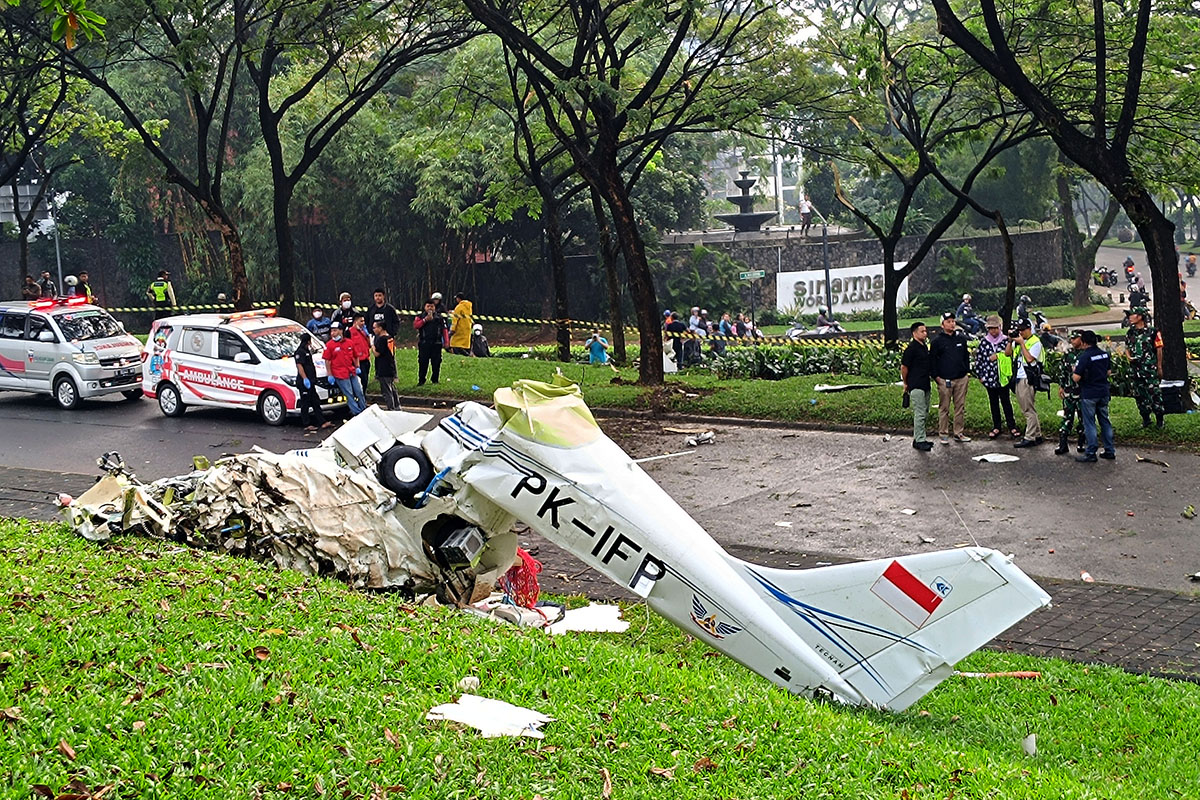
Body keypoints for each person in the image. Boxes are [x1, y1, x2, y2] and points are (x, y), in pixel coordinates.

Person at [1073, 330, 1115, 462]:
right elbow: (1108, 372)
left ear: (1084, 342)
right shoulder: (1104, 354)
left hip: (1089, 393)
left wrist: (1074, 371)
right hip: (1103, 391)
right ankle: (1109, 450)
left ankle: (1091, 452)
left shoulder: (1084, 357)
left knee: (1090, 423)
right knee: (1105, 421)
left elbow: (1076, 378)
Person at [974, 315, 1018, 439]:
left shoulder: (1006, 340)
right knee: (993, 403)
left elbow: (1010, 356)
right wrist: (981, 376)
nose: (993, 331)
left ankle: (1012, 426)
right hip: (989, 378)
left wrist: (998, 355)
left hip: (1002, 378)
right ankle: (997, 426)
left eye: (995, 328)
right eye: (990, 329)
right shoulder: (984, 342)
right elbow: (979, 360)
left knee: (1006, 402)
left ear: (1000, 327)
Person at [930, 312, 971, 444]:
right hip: (944, 380)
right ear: (942, 324)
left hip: (961, 378)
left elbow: (966, 356)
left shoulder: (961, 339)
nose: (952, 324)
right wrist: (937, 377)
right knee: (944, 407)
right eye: (948, 321)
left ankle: (958, 433)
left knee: (960, 407)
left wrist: (966, 372)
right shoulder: (937, 341)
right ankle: (943, 433)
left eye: (953, 321)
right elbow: (933, 361)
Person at [1125, 306, 1165, 428]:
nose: (1130, 318)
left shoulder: (1152, 331)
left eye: (1132, 315)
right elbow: (1127, 347)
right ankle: (1146, 418)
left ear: (1140, 316)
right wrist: (1129, 357)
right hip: (1135, 369)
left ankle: (1160, 419)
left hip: (1149, 368)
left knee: (1154, 393)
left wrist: (1159, 366)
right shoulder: (1130, 332)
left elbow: (1159, 348)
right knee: (1139, 394)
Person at [1008, 318, 1045, 448]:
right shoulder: (1017, 341)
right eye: (1019, 330)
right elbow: (1008, 353)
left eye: (1023, 330)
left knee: (1028, 410)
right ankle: (1038, 435)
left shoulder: (1035, 342)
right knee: (1028, 408)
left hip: (1028, 379)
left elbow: (1029, 359)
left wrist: (1022, 343)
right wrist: (1010, 340)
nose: (1021, 332)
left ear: (1029, 329)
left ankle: (1029, 437)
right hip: (1018, 377)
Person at [321, 322, 367, 416]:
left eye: (335, 330)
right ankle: (356, 412)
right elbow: (327, 361)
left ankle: (363, 409)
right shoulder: (330, 345)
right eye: (331, 331)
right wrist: (330, 374)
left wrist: (357, 366)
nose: (333, 333)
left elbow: (355, 356)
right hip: (340, 373)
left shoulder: (349, 343)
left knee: (358, 392)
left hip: (351, 371)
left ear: (341, 331)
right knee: (349, 394)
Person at [1053, 331, 1087, 455]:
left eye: (1075, 338)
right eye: (1071, 338)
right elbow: (1063, 371)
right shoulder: (1068, 354)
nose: (1072, 341)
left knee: (1083, 418)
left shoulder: (1086, 354)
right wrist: (1061, 386)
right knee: (1067, 417)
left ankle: (1082, 443)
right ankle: (1063, 444)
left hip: (1082, 392)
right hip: (1069, 391)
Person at [901, 321, 933, 451]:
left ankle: (919, 437)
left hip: (925, 383)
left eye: (926, 331)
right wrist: (905, 382)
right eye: (922, 331)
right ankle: (920, 440)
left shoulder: (924, 347)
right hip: (915, 384)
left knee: (925, 412)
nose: (925, 333)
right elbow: (904, 367)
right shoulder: (911, 349)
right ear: (914, 333)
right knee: (919, 413)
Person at [293, 331, 332, 431]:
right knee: (305, 403)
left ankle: (322, 421)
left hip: (311, 381)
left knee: (315, 401)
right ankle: (306, 424)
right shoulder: (300, 352)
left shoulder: (306, 351)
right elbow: (300, 366)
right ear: (308, 342)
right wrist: (305, 378)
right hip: (304, 383)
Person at [413, 298, 446, 385]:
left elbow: (444, 330)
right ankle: (421, 380)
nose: (430, 308)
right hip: (424, 343)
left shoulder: (439, 318)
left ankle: (435, 380)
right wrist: (425, 320)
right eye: (428, 306)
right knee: (423, 362)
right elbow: (416, 325)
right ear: (424, 307)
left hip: (436, 343)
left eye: (432, 306)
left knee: (436, 362)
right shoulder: (420, 316)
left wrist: (446, 342)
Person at [372, 320, 400, 410]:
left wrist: (372, 345)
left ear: (380, 328)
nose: (374, 330)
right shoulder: (389, 338)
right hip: (390, 366)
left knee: (386, 390)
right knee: (392, 387)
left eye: (375, 327)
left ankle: (391, 408)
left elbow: (377, 353)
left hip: (383, 368)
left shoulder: (381, 340)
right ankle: (397, 405)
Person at [349, 312, 372, 389]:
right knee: (361, 380)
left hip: (366, 359)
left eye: (364, 321)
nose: (363, 323)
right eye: (361, 321)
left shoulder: (363, 332)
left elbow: (369, 345)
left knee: (365, 381)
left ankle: (363, 396)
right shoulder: (350, 332)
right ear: (355, 322)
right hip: (358, 361)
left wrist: (367, 335)